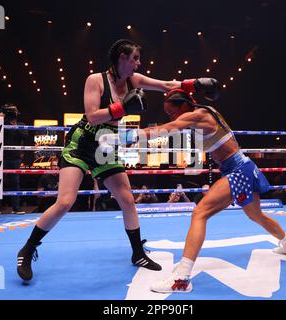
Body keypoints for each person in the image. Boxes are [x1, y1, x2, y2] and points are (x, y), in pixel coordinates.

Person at [16, 38, 221, 281]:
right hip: (83, 142)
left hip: (107, 142)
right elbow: (92, 116)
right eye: (134, 58)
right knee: (65, 201)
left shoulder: (134, 80)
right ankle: (27, 249)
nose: (138, 63)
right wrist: (123, 108)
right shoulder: (96, 80)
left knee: (127, 200)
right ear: (121, 58)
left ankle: (137, 253)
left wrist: (194, 84)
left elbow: (167, 84)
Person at [101, 89, 286, 293]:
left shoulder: (197, 115)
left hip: (238, 170)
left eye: (172, 112)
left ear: (185, 106)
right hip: (241, 168)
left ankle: (181, 280)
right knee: (256, 215)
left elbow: (167, 128)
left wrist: (123, 136)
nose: (171, 116)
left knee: (200, 213)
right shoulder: (204, 113)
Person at [0, 104, 27, 215]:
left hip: (15, 158)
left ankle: (16, 207)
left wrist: (13, 126)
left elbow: (25, 136)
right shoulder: (1, 124)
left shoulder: (21, 125)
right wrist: (0, 119)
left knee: (15, 182)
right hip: (0, 157)